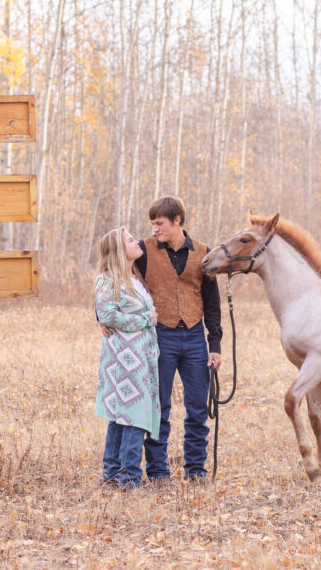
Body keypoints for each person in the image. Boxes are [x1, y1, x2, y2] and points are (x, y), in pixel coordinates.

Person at [136, 196, 222, 482]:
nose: (155, 229)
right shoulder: (143, 250)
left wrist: (216, 346)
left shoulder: (203, 253)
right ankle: (158, 472)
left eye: (159, 224)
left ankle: (196, 470)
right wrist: (102, 315)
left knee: (198, 408)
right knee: (158, 407)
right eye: (152, 224)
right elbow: (114, 277)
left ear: (177, 222)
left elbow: (212, 304)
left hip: (196, 336)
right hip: (160, 335)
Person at [94, 227, 161, 489]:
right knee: (133, 414)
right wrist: (146, 319)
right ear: (120, 250)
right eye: (130, 240)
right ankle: (129, 476)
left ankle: (112, 471)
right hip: (123, 360)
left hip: (140, 357)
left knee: (124, 414)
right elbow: (108, 315)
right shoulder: (108, 279)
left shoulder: (133, 278)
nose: (137, 241)